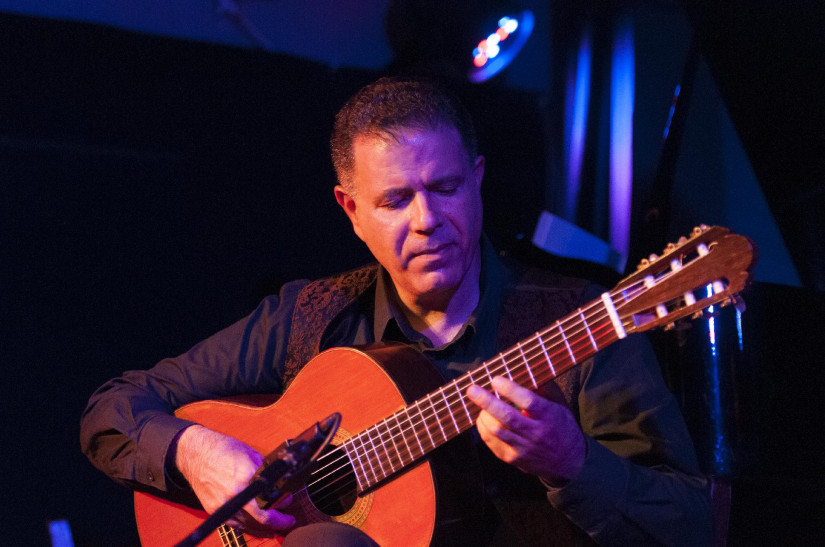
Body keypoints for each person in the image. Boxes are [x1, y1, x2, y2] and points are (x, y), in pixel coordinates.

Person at [80, 77, 711, 546]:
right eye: (394, 200)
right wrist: (196, 452)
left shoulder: (580, 324)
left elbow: (693, 524)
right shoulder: (308, 315)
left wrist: (573, 462)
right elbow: (113, 410)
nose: (427, 220)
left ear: (478, 180)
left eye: (445, 187)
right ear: (351, 212)